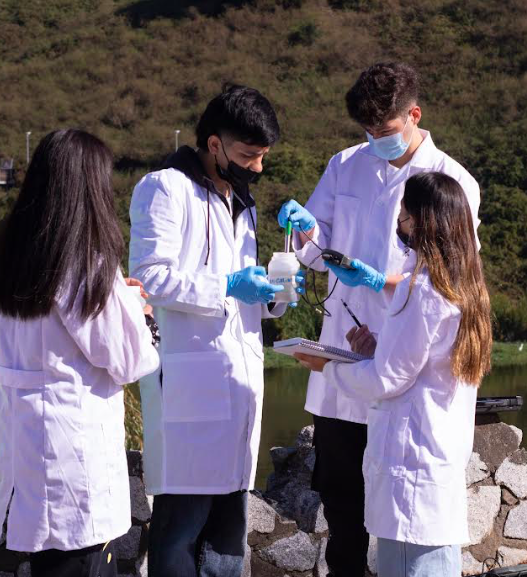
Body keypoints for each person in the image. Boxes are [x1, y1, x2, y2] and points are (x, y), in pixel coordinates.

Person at [278, 62, 482, 575]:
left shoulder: (452, 183)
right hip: (349, 349)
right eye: (367, 131)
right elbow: (315, 246)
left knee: (402, 522)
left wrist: (380, 284)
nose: (375, 140)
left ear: (414, 114)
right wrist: (304, 231)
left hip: (404, 365)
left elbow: (452, 277)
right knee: (344, 509)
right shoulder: (346, 164)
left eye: (385, 131)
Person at [129, 84, 301, 577]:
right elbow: (149, 276)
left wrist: (272, 295)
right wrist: (226, 284)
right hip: (191, 380)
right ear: (214, 145)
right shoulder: (164, 188)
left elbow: (242, 301)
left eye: (263, 156)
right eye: (250, 155)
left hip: (238, 379)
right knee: (181, 526)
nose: (258, 167)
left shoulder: (240, 201)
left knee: (229, 526)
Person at [0, 129, 160, 577]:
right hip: (71, 451)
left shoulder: (11, 254)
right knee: (81, 559)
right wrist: (142, 314)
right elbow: (128, 358)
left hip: (27, 438)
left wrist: (118, 299)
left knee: (50, 560)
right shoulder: (82, 262)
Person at [295, 172, 492, 577]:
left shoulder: (421, 288)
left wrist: (327, 367)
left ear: (421, 220)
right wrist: (377, 349)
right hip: (436, 461)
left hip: (411, 468)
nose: (398, 222)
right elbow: (423, 364)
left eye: (403, 213)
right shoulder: (464, 286)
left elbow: (387, 380)